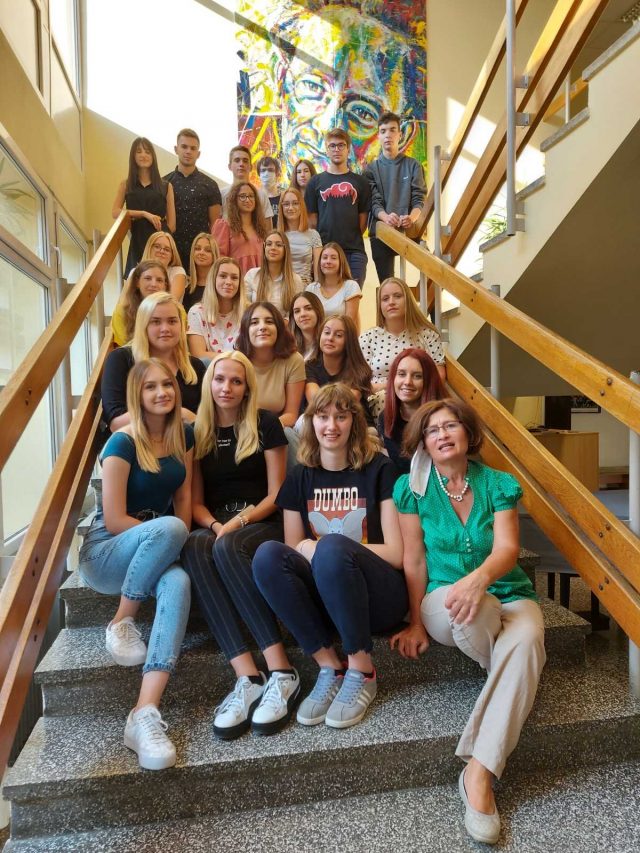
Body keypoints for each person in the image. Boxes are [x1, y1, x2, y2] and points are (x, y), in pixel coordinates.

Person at [391, 398, 545, 844]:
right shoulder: (411, 490)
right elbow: (414, 559)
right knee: (471, 609)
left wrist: (480, 580)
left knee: (528, 636)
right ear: (423, 443)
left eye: (450, 425)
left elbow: (507, 550)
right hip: (443, 600)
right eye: (432, 430)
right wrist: (415, 621)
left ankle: (478, 773)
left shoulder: (498, 483)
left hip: (509, 593)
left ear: (467, 433)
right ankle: (516, 677)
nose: (442, 434)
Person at [253, 382, 407, 729]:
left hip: (379, 598)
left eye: (341, 417)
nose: (331, 425)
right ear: (312, 422)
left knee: (333, 546)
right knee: (266, 555)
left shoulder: (380, 469)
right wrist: (315, 548)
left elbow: (396, 554)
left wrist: (325, 546)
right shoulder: (299, 476)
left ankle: (362, 671)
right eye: (322, 417)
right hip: (329, 599)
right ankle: (329, 666)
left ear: (354, 422)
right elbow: (293, 547)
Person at [78, 358, 193, 770]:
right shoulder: (121, 443)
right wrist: (168, 534)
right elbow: (113, 520)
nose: (162, 392)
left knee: (179, 584)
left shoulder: (183, 436)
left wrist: (173, 538)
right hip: (108, 552)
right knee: (171, 528)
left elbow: (184, 501)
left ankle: (143, 713)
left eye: (168, 384)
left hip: (157, 545)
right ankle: (121, 621)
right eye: (150, 387)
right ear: (136, 395)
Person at [182, 352, 301, 738]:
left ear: (247, 387)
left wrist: (237, 523)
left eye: (236, 381)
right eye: (220, 380)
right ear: (209, 383)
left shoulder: (264, 422)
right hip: (218, 523)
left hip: (262, 521)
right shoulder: (196, 431)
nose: (227, 388)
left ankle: (282, 670)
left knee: (226, 546)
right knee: (195, 547)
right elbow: (195, 502)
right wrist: (217, 525)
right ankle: (248, 677)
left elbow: (277, 494)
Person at [102, 292, 206, 432]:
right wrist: (179, 414)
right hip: (133, 443)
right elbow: (116, 423)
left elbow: (204, 424)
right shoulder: (121, 359)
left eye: (172, 321)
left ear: (181, 325)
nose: (165, 329)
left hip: (185, 444)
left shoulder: (196, 367)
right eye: (156, 322)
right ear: (143, 325)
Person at [365, 112, 427, 283]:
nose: (388, 135)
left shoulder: (413, 166)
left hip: (409, 231)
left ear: (400, 134)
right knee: (388, 286)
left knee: (434, 270)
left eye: (392, 130)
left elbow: (419, 199)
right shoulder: (371, 170)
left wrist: (411, 218)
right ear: (378, 136)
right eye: (383, 131)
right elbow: (373, 202)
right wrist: (386, 217)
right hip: (382, 234)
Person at [304, 129, 371, 287]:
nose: (336, 149)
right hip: (324, 252)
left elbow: (363, 221)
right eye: (332, 146)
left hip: (354, 253)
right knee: (325, 298)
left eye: (341, 145)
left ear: (348, 149)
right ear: (327, 150)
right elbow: (312, 221)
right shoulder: (315, 182)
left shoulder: (361, 182)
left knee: (352, 298)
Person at [359, 277, 446, 395]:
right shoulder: (367, 338)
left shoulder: (428, 335)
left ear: (408, 300)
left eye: (397, 296)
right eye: (385, 299)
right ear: (380, 305)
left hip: (417, 399)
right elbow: (360, 382)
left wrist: (386, 385)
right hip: (377, 401)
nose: (391, 302)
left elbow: (439, 377)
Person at [234, 302, 305, 429]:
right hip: (240, 427)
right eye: (254, 322)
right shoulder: (236, 361)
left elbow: (291, 415)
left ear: (279, 328)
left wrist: (264, 430)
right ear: (245, 331)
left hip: (276, 428)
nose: (262, 327)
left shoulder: (294, 360)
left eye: (269, 322)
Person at [112, 137, 176, 276]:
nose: (143, 155)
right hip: (138, 239)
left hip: (159, 241)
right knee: (137, 281)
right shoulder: (126, 184)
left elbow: (172, 225)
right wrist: (143, 214)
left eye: (147, 152)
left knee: (160, 279)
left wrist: (162, 240)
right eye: (139, 151)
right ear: (133, 156)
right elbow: (115, 212)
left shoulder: (166, 186)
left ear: (153, 156)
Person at [378, 348, 446, 474]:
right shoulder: (385, 417)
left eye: (417, 376)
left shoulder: (443, 418)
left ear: (428, 381)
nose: (408, 382)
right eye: (402, 374)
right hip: (401, 485)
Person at [163, 129, 222, 267]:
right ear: (176, 149)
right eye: (184, 147)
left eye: (193, 148)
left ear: (198, 153)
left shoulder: (210, 185)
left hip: (200, 254)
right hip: (171, 252)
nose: (188, 151)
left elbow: (215, 226)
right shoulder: (163, 183)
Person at [305, 315, 373, 424]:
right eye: (327, 332)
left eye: (338, 335)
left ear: (349, 341)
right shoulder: (309, 367)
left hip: (357, 427)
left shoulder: (359, 370)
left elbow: (344, 406)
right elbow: (314, 401)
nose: (330, 338)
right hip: (321, 423)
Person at [187, 257, 244, 358]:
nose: (229, 282)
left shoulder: (249, 312)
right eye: (223, 276)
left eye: (234, 278)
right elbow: (198, 355)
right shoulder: (196, 312)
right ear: (213, 279)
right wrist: (234, 358)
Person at [212, 182, 268, 276]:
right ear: (234, 199)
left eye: (251, 196)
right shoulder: (224, 225)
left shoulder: (260, 227)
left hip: (259, 278)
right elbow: (218, 257)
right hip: (235, 278)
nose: (247, 200)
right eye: (242, 196)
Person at [244, 230, 303, 317]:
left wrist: (283, 321)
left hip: (282, 324)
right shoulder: (251, 275)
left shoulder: (295, 280)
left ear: (285, 249)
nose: (273, 248)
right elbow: (244, 304)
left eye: (278, 245)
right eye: (269, 244)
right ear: (264, 247)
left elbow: (296, 312)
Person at [111, 261, 169, 346]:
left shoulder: (177, 311)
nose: (154, 284)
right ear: (137, 282)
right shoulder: (122, 312)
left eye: (159, 280)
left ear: (165, 285)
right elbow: (125, 347)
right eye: (148, 278)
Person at [306, 242, 361, 331]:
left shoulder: (351, 286)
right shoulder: (311, 289)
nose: (328, 261)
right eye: (325, 258)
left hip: (342, 336)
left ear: (341, 262)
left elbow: (350, 323)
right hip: (317, 337)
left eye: (333, 258)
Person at [277, 187, 322, 286]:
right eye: (286, 204)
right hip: (282, 287)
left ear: (301, 206)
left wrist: (316, 291)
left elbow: (318, 274)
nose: (291, 208)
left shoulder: (313, 235)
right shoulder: (277, 236)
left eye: (295, 203)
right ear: (281, 208)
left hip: (305, 288)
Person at [221, 145, 274, 223]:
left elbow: (268, 228)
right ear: (229, 166)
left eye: (245, 161)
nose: (241, 164)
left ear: (251, 167)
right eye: (237, 160)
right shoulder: (221, 194)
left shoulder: (261, 195)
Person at [133, 232, 187, 302]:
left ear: (172, 255)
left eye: (167, 249)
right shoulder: (134, 272)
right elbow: (124, 302)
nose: (162, 251)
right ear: (149, 248)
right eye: (157, 246)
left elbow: (171, 302)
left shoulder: (177, 272)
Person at [182, 232, 220, 315]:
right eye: (197, 249)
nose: (201, 253)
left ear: (214, 255)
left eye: (208, 250)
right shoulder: (185, 285)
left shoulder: (219, 284)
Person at [290, 291, 325, 362]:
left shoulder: (328, 344)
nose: (302, 314)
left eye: (308, 308)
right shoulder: (288, 347)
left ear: (318, 311)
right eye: (297, 311)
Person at [258, 155, 283, 226]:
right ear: (259, 174)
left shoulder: (283, 198)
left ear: (277, 174)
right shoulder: (255, 198)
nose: (266, 173)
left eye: (270, 170)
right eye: (263, 170)